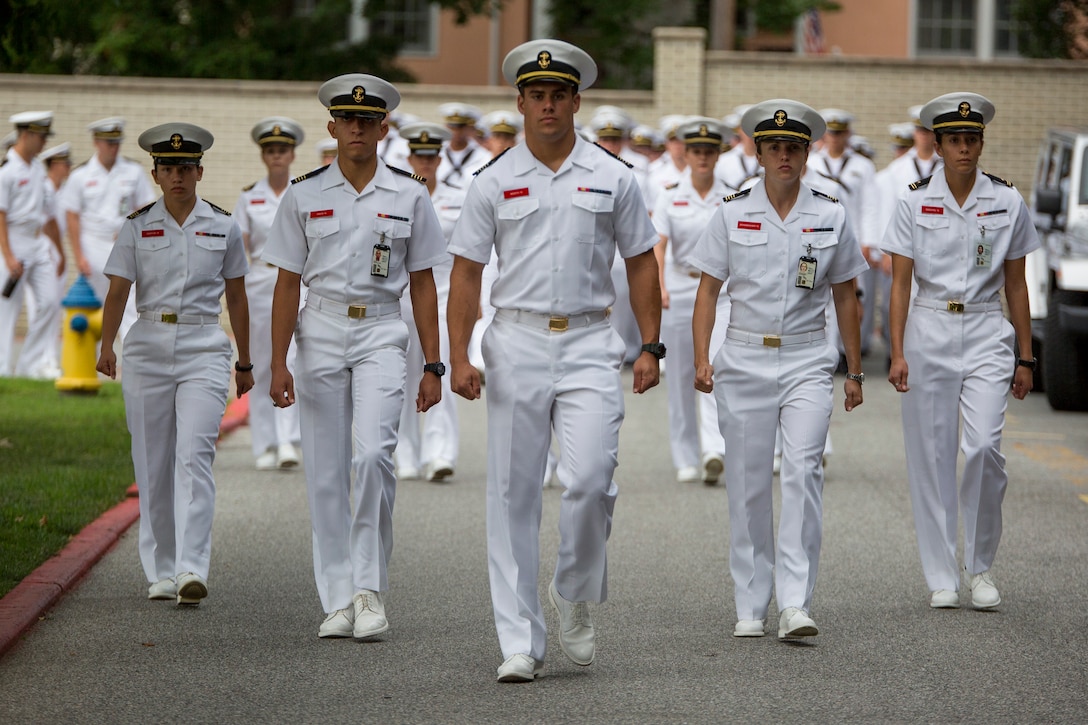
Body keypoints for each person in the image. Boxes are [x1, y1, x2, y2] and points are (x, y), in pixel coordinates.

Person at [446, 39, 663, 682]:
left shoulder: (613, 175)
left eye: (558, 95)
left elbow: (642, 260)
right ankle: (519, 640)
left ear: (576, 101)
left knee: (593, 478)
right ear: (520, 102)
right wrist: (457, 355)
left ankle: (573, 590)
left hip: (592, 341)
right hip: (514, 340)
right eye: (536, 95)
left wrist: (650, 343)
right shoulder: (493, 180)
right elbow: (465, 274)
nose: (547, 105)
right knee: (513, 495)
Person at [263, 74, 446, 641]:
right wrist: (276, 361)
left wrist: (433, 364)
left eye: (369, 120)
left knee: (373, 459)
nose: (358, 128)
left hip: (383, 333)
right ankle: (337, 598)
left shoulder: (410, 192)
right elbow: (286, 283)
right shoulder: (304, 192)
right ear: (332, 127)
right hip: (318, 330)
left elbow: (423, 283)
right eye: (349, 120)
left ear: (384, 127)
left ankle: (369, 590)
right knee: (324, 471)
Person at [690, 100, 867, 641]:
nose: (784, 156)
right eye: (774, 147)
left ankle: (794, 601)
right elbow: (708, 289)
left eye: (794, 147)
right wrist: (702, 355)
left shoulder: (832, 212)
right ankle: (751, 602)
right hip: (743, 356)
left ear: (808, 152)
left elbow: (846, 295)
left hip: (808, 358)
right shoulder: (731, 209)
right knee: (747, 484)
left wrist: (855, 370)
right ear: (759, 153)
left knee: (803, 472)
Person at [883, 92, 1038, 611]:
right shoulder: (912, 200)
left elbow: (1017, 285)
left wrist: (1025, 355)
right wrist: (897, 350)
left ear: (981, 144)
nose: (964, 149)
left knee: (984, 448)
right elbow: (900, 285)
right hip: (928, 328)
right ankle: (941, 573)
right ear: (938, 145)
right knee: (932, 456)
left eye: (972, 139)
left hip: (987, 329)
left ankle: (981, 567)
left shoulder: (1006, 200)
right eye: (955, 140)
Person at [96, 122, 254, 606]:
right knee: (152, 460)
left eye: (186, 167)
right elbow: (118, 291)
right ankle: (162, 568)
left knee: (194, 455)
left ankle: (192, 565)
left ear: (200, 171)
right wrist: (106, 346)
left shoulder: (224, 225)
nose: (178, 176)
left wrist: (245, 360)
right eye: (169, 168)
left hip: (204, 344)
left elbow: (238, 296)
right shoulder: (136, 224)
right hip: (147, 343)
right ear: (156, 174)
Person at [652, 117, 730, 485]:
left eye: (709, 151)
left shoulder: (731, 196)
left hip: (719, 294)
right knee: (682, 377)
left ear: (718, 155)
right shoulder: (670, 194)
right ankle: (685, 456)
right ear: (685, 153)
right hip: (681, 291)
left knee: (713, 369)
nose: (702, 157)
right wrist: (660, 286)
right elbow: (659, 244)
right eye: (696, 151)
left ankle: (714, 448)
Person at [393, 120, 464, 483]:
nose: (425, 163)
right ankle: (404, 452)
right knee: (403, 380)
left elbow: (471, 256)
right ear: (409, 158)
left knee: (441, 371)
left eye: (431, 156)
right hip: (406, 300)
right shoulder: (398, 198)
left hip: (446, 298)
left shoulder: (458, 197)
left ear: (440, 159)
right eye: (419, 156)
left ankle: (439, 453)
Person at [233, 117, 305, 471]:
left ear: (292, 154)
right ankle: (265, 442)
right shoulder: (249, 196)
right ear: (264, 156)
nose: (277, 156)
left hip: (295, 283)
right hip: (261, 283)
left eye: (283, 150)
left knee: (291, 359)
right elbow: (240, 248)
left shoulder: (304, 191)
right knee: (262, 361)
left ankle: (289, 439)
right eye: (271, 151)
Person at [61, 118, 157, 343]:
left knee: (130, 302)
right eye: (108, 143)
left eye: (116, 143)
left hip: (124, 243)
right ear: (96, 142)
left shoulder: (132, 171)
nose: (113, 147)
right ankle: (91, 364)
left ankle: (132, 362)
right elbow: (72, 217)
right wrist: (79, 255)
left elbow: (146, 207)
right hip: (93, 244)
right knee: (94, 305)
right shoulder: (80, 175)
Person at [0, 111, 65, 378]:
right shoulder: (6, 171)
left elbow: (48, 215)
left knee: (50, 302)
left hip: (36, 241)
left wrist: (59, 252)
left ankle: (29, 364)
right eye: (40, 137)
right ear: (26, 135)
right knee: (7, 311)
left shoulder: (38, 168)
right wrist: (8, 256)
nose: (44, 144)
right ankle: (3, 369)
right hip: (12, 240)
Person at [437, 102, 487, 186]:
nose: (456, 132)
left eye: (460, 127)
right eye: (452, 127)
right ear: (446, 127)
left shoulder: (483, 155)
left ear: (468, 128)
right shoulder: (437, 152)